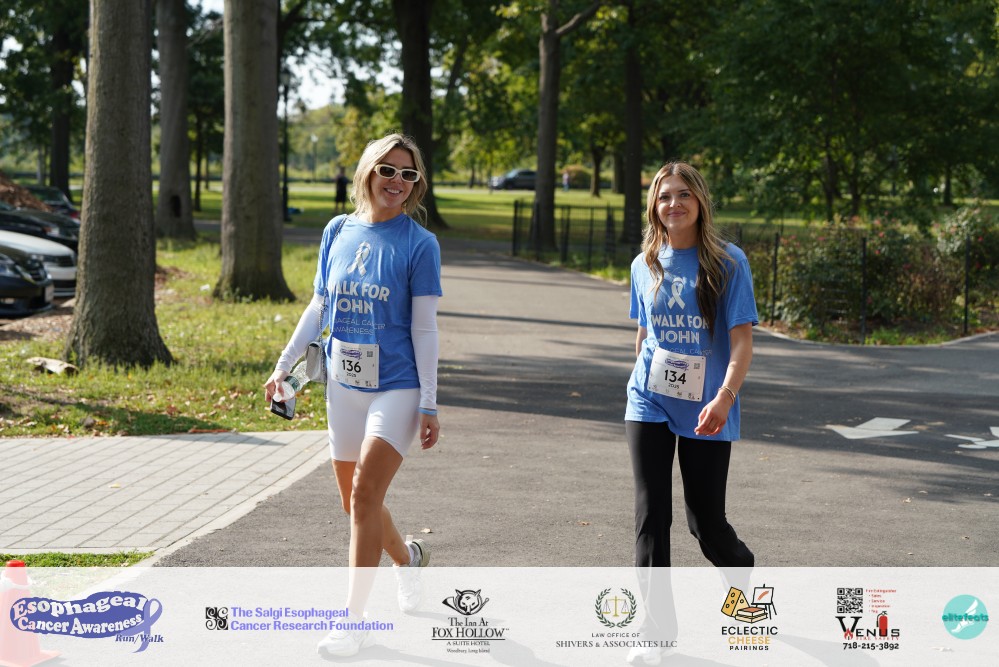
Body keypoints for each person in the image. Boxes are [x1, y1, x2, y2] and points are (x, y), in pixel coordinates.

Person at [264, 133, 442, 659]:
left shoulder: (420, 245)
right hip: (341, 384)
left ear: (416, 185)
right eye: (387, 170)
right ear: (367, 171)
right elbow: (319, 305)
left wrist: (429, 402)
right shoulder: (337, 230)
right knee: (354, 502)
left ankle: (353, 622)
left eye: (408, 174)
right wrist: (283, 366)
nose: (396, 181)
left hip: (398, 387)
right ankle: (407, 560)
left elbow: (425, 329)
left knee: (364, 494)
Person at [624, 161, 757, 665]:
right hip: (649, 400)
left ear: (700, 201)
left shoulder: (728, 262)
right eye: (664, 196)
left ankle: (740, 569)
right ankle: (655, 632)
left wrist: (725, 396)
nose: (673, 204)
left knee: (705, 523)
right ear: (653, 206)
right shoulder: (644, 263)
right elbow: (644, 332)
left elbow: (741, 342)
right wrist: (637, 374)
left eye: (683, 194)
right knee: (650, 515)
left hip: (709, 405)